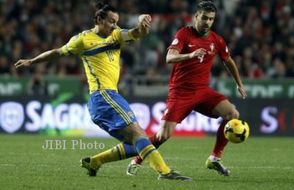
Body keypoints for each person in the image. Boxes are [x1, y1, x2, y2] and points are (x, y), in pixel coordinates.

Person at [14, 2, 191, 181]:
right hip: (102, 96)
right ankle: (165, 171)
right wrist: (32, 61)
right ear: (99, 19)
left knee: (134, 142)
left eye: (116, 22)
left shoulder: (116, 35)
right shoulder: (83, 39)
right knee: (139, 135)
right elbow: (57, 52)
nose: (114, 25)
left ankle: (95, 162)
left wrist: (141, 22)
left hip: (108, 96)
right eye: (111, 21)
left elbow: (138, 33)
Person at [127, 0, 247, 177]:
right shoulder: (184, 34)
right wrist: (190, 55)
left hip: (203, 91)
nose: (207, 22)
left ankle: (214, 158)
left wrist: (239, 83)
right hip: (181, 92)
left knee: (232, 114)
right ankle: (137, 158)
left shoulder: (217, 40)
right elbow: (169, 57)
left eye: (211, 19)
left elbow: (228, 61)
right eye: (204, 18)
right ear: (196, 17)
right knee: (163, 135)